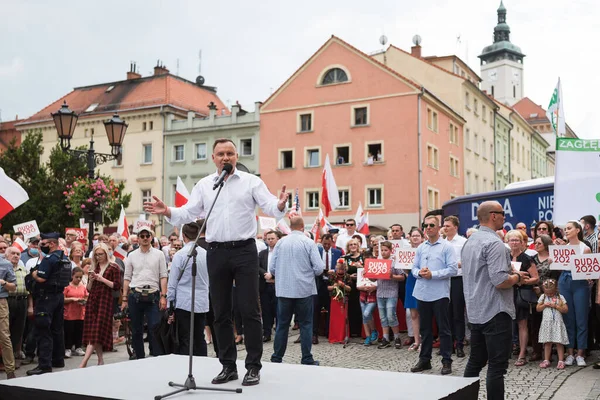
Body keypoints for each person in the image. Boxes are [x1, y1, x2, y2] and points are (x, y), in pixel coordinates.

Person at [144, 138, 288, 386]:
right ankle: (228, 365)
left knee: (249, 309)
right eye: (221, 154)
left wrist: (280, 204)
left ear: (236, 157)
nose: (226, 158)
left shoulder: (251, 182)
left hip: (244, 250)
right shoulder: (205, 184)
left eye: (230, 153)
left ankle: (253, 366)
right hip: (216, 251)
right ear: (213, 158)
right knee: (220, 311)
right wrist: (167, 210)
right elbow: (189, 212)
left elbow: (270, 206)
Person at [462, 201, 529, 400]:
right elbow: (500, 281)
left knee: (475, 360)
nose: (505, 217)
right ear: (493, 216)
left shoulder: (470, 241)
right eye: (502, 213)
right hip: (495, 311)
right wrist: (517, 278)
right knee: (497, 366)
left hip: (475, 310)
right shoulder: (495, 243)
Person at [269, 216, 322, 366]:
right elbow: (318, 269)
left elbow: (272, 268)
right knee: (306, 324)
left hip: (284, 289)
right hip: (303, 289)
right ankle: (306, 358)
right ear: (302, 226)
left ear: (290, 227)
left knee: (282, 325)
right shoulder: (308, 242)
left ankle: (277, 357)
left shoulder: (280, 243)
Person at [410, 216, 457, 375]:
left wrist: (433, 274)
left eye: (432, 225)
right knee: (425, 329)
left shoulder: (446, 246)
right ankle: (425, 360)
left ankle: (446, 361)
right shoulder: (421, 247)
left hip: (440, 293)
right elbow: (413, 268)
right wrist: (420, 273)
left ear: (438, 228)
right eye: (426, 225)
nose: (428, 228)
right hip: (422, 292)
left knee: (443, 329)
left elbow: (453, 269)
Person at [27, 232, 71, 376]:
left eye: (44, 244)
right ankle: (58, 359)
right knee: (57, 330)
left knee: (43, 330)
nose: (41, 246)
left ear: (52, 244)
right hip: (59, 296)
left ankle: (44, 365)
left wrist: (33, 273)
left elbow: (41, 279)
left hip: (46, 298)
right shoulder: (64, 258)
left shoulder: (49, 259)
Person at [121, 226, 168, 359]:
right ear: (138, 239)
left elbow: (163, 276)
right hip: (135, 295)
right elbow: (127, 277)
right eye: (142, 236)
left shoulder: (159, 254)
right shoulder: (132, 255)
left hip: (153, 295)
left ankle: (156, 356)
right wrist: (124, 298)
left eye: (147, 236)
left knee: (155, 327)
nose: (145, 238)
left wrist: (163, 296)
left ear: (151, 237)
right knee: (136, 330)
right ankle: (139, 358)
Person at [167, 222, 210, 356]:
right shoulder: (206, 254)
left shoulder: (180, 255)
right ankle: (202, 363)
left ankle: (186, 365)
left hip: (184, 302)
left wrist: (170, 305)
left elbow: (172, 282)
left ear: (184, 236)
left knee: (185, 337)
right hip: (201, 301)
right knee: (199, 337)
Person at [555, 220, 591, 366]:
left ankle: (580, 353)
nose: (566, 231)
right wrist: (554, 259)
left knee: (581, 318)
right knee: (568, 317)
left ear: (578, 230)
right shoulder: (564, 247)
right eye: (565, 229)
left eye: (569, 228)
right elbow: (559, 266)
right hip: (565, 279)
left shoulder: (585, 248)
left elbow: (588, 269)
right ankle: (570, 353)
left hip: (580, 282)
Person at [79, 243, 121, 368]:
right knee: (93, 331)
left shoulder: (114, 267)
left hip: (105, 301)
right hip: (93, 301)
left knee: (96, 331)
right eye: (96, 255)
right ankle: (100, 360)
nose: (98, 257)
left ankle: (83, 363)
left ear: (106, 254)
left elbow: (116, 286)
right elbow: (89, 289)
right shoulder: (94, 267)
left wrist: (101, 279)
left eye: (100, 254)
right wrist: (91, 279)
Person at [506, 229, 539, 366]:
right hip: (506, 294)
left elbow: (536, 278)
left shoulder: (527, 258)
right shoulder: (504, 257)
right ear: (507, 242)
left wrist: (522, 281)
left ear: (522, 242)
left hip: (521, 295)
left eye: (517, 240)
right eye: (511, 240)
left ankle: (522, 354)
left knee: (522, 324)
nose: (514, 242)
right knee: (506, 324)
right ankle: (506, 352)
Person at [443, 216, 468, 358]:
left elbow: (467, 261)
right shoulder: (441, 243)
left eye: (448, 226)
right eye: (444, 226)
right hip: (444, 279)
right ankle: (448, 344)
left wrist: (455, 264)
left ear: (455, 227)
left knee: (457, 313)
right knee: (446, 313)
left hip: (458, 279)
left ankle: (459, 344)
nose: (445, 228)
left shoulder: (463, 242)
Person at [375, 241, 406, 350]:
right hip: (380, 292)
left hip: (391, 292)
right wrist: (367, 275)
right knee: (383, 317)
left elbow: (402, 277)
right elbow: (373, 278)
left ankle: (397, 337)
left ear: (390, 251)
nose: (383, 252)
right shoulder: (378, 262)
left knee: (391, 315)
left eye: (385, 250)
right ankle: (386, 338)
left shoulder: (394, 262)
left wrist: (392, 276)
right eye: (382, 250)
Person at [314, 233, 342, 342]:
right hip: (319, 283)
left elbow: (340, 267)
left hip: (332, 282)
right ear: (321, 242)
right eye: (324, 244)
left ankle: (329, 332)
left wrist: (334, 271)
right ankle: (314, 334)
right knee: (316, 308)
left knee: (331, 308)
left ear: (332, 243)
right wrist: (324, 272)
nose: (326, 246)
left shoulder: (337, 252)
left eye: (328, 244)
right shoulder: (317, 251)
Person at [537, 279, 569, 369]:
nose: (550, 295)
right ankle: (546, 359)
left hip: (557, 322)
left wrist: (556, 306)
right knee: (547, 342)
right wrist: (544, 305)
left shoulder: (560, 297)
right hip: (547, 323)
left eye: (551, 293)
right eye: (548, 293)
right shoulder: (543, 297)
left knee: (559, 342)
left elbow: (566, 309)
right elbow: (538, 308)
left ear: (555, 290)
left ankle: (561, 360)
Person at [6, 247, 29, 363]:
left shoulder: (23, 269)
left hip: (23, 300)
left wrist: (30, 306)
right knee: (7, 328)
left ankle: (17, 352)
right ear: (7, 255)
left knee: (20, 327)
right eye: (13, 253)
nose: (16, 256)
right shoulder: (4, 269)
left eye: (18, 254)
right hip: (8, 300)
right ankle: (6, 355)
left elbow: (29, 289)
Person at [258, 230, 280, 343]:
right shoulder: (262, 253)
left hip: (277, 285)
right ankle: (266, 333)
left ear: (277, 239)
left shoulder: (281, 253)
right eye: (268, 239)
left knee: (278, 310)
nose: (270, 241)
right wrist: (264, 274)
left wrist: (273, 274)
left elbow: (283, 266)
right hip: (265, 285)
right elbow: (257, 266)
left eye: (272, 239)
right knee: (266, 310)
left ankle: (280, 334)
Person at [405, 228, 423, 352]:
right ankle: (416, 341)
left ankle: (424, 341)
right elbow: (405, 271)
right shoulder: (405, 252)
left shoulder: (426, 249)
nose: (415, 237)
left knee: (424, 313)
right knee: (413, 314)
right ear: (410, 237)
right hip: (411, 280)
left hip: (423, 280)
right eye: (413, 235)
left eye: (418, 235)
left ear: (422, 237)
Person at [63, 267, 88, 358]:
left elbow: (86, 297)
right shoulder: (67, 287)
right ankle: (68, 348)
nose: (78, 279)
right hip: (69, 313)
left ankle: (78, 347)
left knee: (79, 330)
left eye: (80, 277)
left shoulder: (82, 287)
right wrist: (72, 299)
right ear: (72, 276)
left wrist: (84, 301)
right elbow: (62, 299)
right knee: (69, 331)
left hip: (80, 313)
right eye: (76, 277)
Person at [0, 252, 17, 379]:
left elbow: (13, 287)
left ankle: (10, 372)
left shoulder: (6, 264)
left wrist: (3, 283)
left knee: (4, 336)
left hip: (1, 301)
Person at [327, 259, 352, 344]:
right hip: (334, 299)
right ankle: (334, 337)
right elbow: (327, 288)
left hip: (344, 299)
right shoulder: (332, 276)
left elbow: (350, 289)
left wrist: (343, 285)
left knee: (343, 319)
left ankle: (342, 337)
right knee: (334, 319)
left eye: (342, 269)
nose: (340, 271)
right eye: (339, 269)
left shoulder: (347, 276)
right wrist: (333, 286)